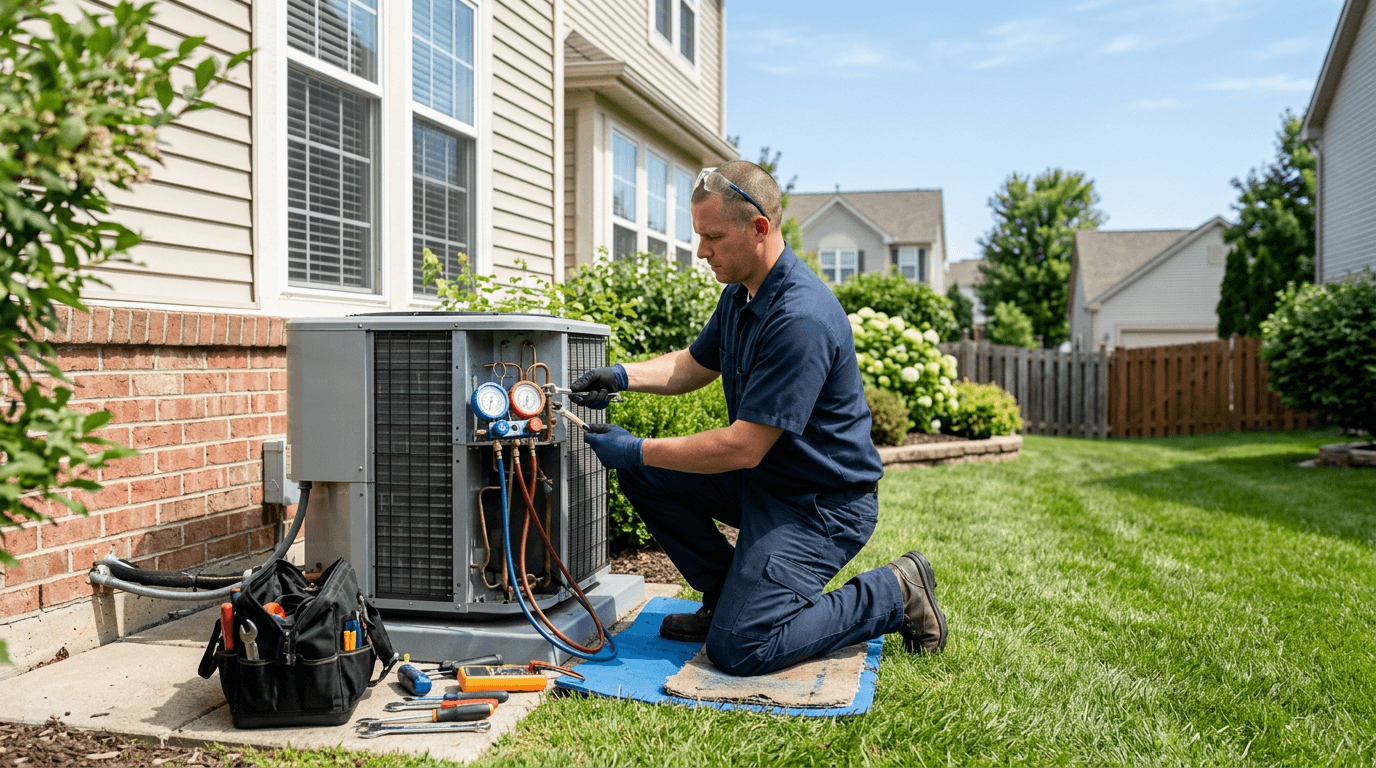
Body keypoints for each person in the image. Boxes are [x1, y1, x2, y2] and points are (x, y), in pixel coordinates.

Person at [571, 160, 946, 676]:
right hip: (765, 483)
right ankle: (725, 597)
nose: (701, 251)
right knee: (642, 470)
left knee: (742, 649)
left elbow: (742, 446)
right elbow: (693, 365)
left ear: (759, 229)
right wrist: (618, 376)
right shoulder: (741, 296)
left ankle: (894, 592)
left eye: (713, 237)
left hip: (820, 506)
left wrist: (636, 446)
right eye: (699, 236)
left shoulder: (800, 318)